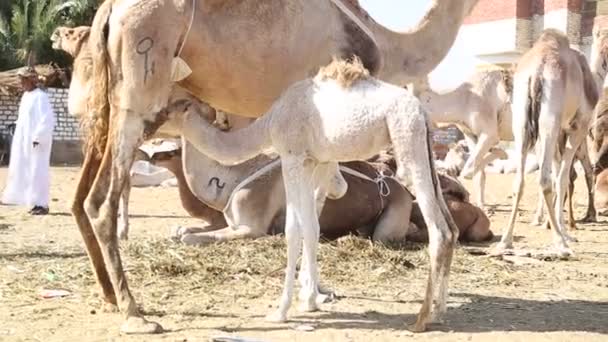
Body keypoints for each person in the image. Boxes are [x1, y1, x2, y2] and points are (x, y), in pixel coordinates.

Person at [1, 66, 56, 215]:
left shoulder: (41, 97)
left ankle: (41, 204)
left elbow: (47, 120)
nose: (20, 83)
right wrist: (16, 124)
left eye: (22, 80)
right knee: (25, 170)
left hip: (37, 142)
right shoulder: (26, 96)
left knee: (37, 171)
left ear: (30, 80)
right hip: (24, 141)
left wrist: (38, 137)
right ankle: (28, 200)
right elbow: (26, 118)